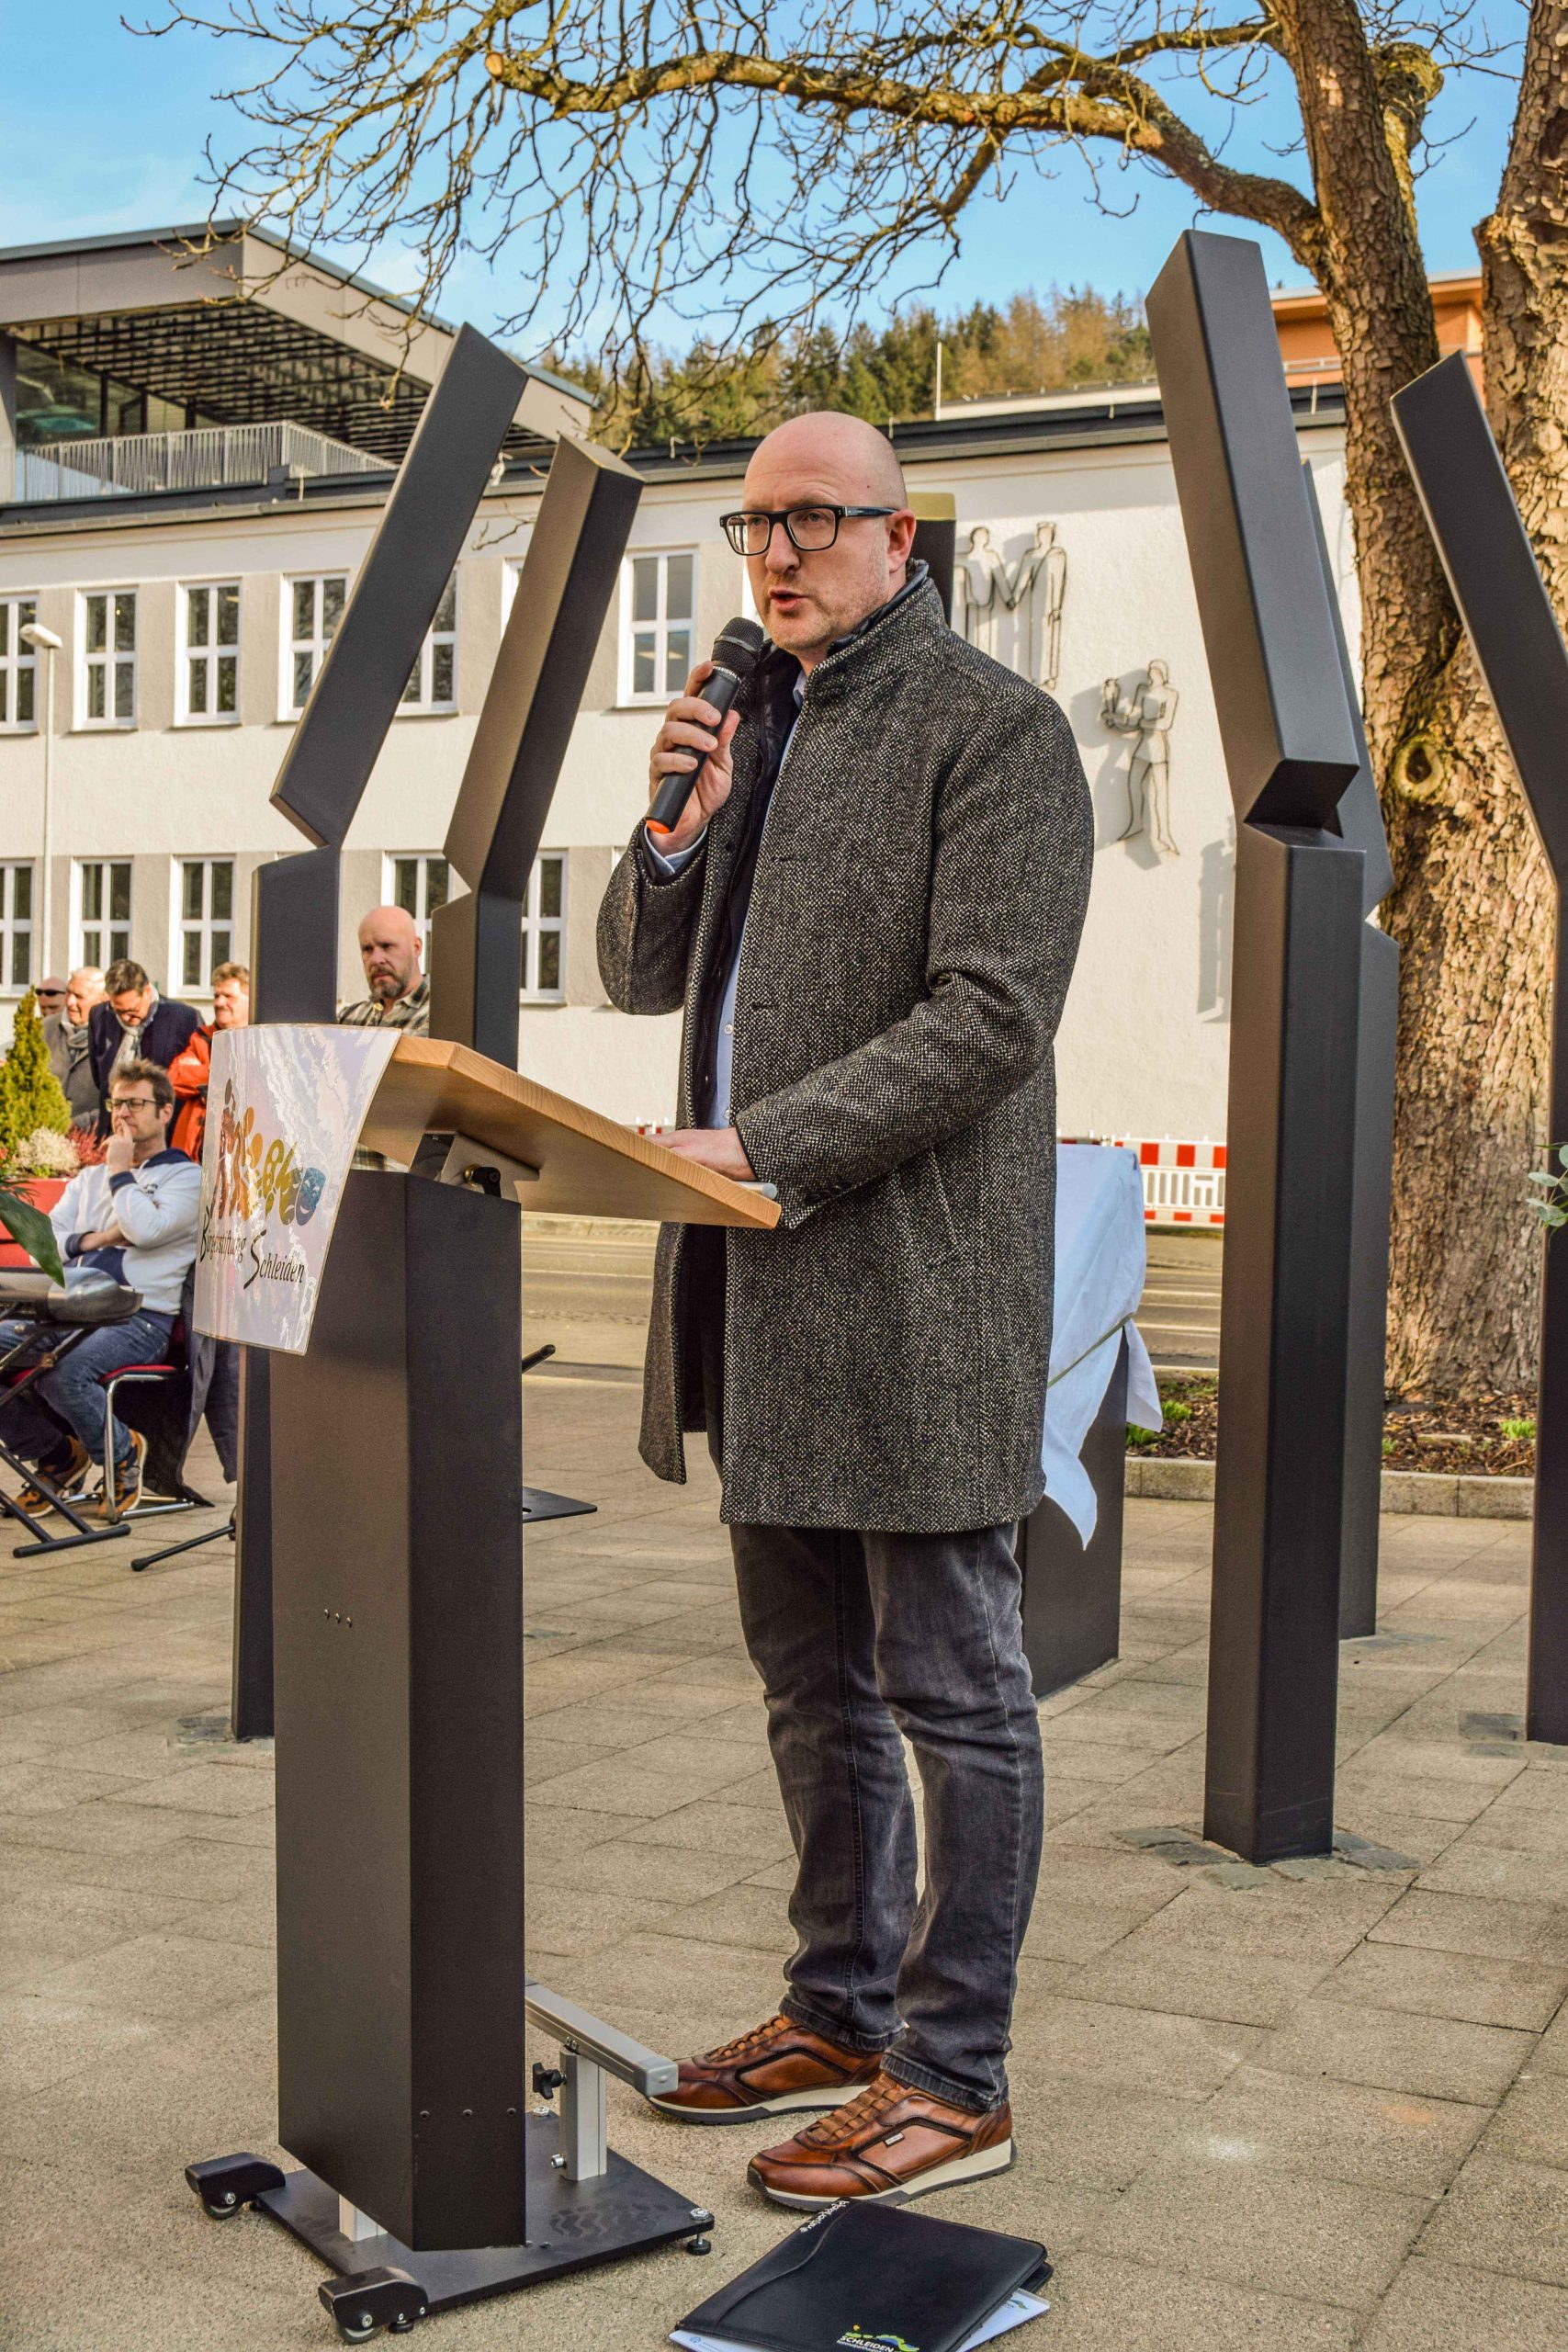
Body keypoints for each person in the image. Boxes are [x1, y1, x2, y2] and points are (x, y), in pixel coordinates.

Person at [597, 411, 1093, 2209]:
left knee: (952, 1686)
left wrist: (762, 1141)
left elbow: (986, 1017)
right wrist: (672, 824)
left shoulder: (995, 729)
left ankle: (953, 2073)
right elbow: (637, 971)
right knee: (808, 1684)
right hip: (752, 1286)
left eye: (815, 520)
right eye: (754, 524)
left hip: (904, 1289)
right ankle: (835, 2004)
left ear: (903, 537)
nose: (779, 552)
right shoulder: (757, 728)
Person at [0, 1060, 201, 1518]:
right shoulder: (85, 1180)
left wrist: (119, 1171)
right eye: (117, 1103)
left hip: (139, 1317)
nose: (123, 1114)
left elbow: (145, 1229)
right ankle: (56, 1454)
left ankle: (122, 1453)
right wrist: (97, 1239)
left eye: (136, 1103)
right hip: (68, 1308)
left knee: (65, 1372)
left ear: (166, 1111)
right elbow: (41, 1248)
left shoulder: (188, 1178)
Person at [86, 960, 202, 1133]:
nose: (125, 1019)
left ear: (147, 991)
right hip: (114, 1130)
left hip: (163, 1132)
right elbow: (99, 1077)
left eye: (132, 1010)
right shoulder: (100, 1015)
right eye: (118, 1011)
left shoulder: (183, 1018)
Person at [169, 963, 251, 1160]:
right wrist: (224, 1071)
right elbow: (174, 1078)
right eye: (216, 996)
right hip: (194, 1153)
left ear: (250, 999)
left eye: (228, 996)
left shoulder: (258, 1039)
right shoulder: (201, 1038)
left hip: (239, 1152)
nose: (219, 1002)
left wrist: (203, 1073)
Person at [338, 907, 430, 1032]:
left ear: (416, 947)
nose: (376, 960)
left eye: (387, 946)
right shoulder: (347, 1020)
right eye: (367, 949)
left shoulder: (444, 1016)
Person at [45, 967, 106, 1129]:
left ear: (101, 1001)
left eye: (79, 996)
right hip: (44, 1133)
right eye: (68, 993)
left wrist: (77, 1125)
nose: (70, 1002)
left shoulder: (112, 1036)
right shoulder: (45, 1028)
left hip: (91, 1137)